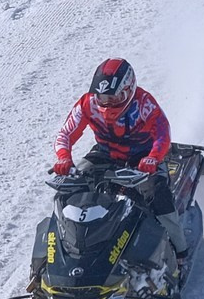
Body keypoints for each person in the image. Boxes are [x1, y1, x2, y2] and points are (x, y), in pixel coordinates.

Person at [51, 57, 188, 264]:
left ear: (128, 90)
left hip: (142, 158)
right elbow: (66, 134)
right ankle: (66, 246)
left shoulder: (144, 103)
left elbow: (162, 134)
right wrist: (64, 158)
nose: (106, 103)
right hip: (105, 154)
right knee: (68, 189)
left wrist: (152, 158)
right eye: (102, 97)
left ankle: (180, 251)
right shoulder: (87, 103)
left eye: (113, 98)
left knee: (157, 195)